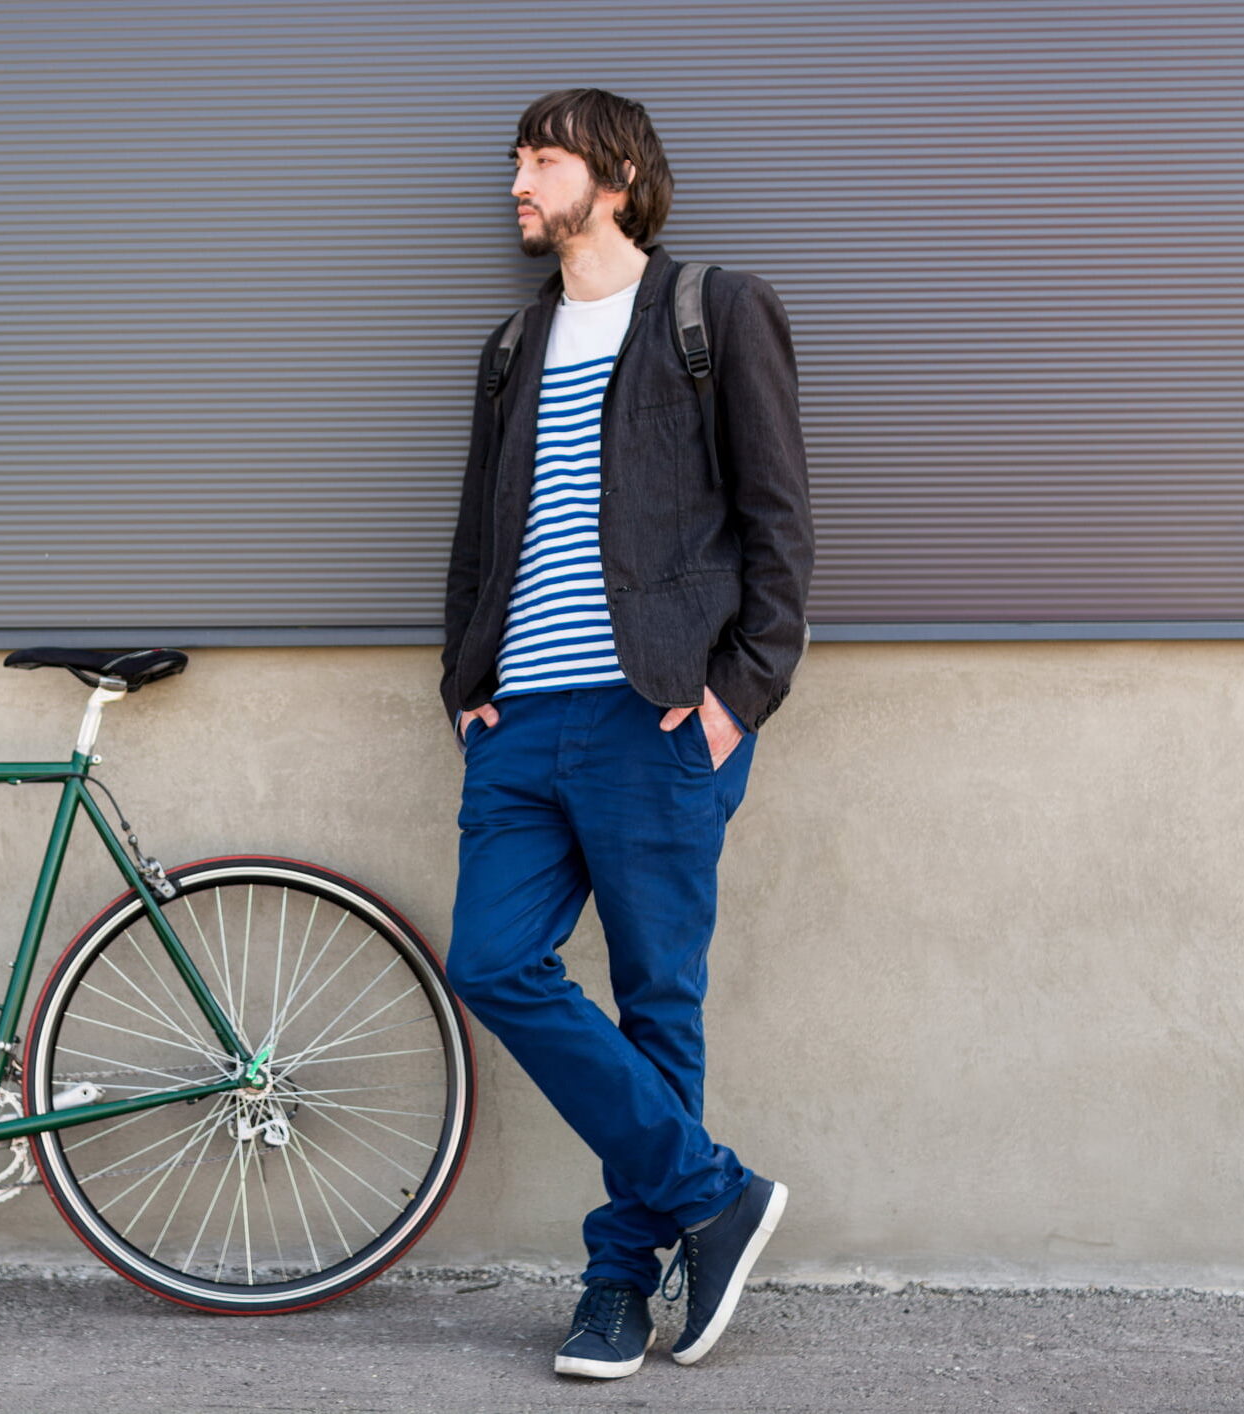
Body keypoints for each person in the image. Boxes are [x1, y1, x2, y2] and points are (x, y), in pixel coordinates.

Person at [439, 87, 814, 1380]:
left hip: (654, 714)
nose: (517, 184)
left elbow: (778, 527)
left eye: (539, 159)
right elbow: (477, 538)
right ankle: (711, 1193)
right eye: (515, 162)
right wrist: (463, 684)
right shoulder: (509, 345)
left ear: (612, 171)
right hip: (520, 722)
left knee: (658, 1000)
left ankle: (614, 1287)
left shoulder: (712, 313)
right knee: (489, 957)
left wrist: (733, 698)